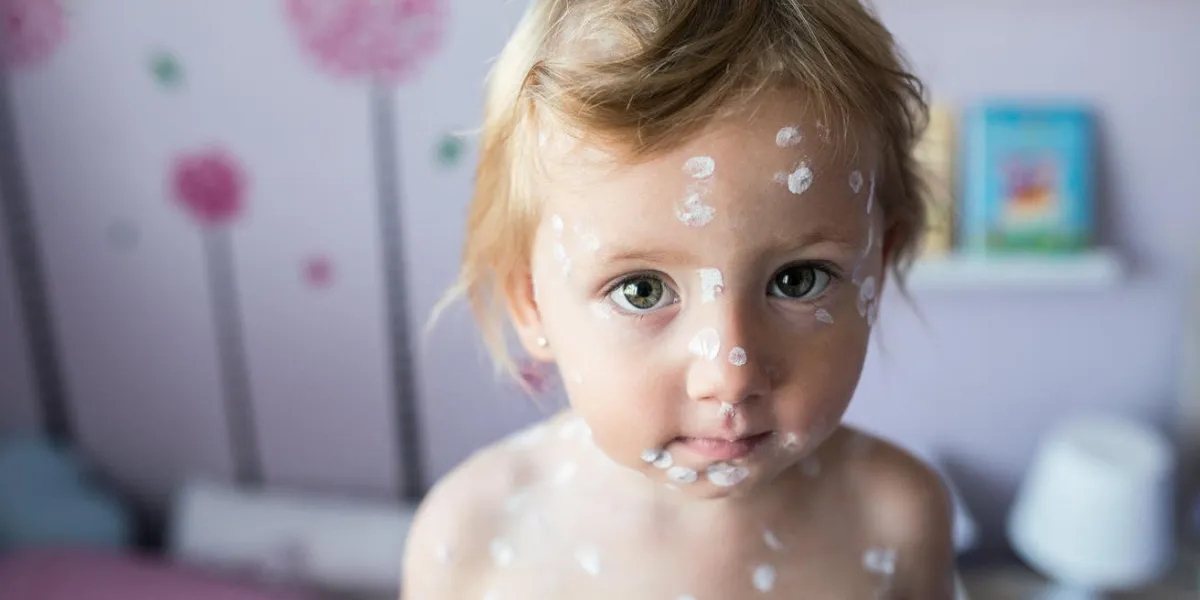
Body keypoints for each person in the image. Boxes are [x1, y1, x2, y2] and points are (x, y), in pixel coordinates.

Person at [403, 1, 955, 598]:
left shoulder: (897, 520)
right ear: (531, 301)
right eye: (641, 291)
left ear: (879, 261)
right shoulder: (474, 536)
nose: (730, 374)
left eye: (798, 280)